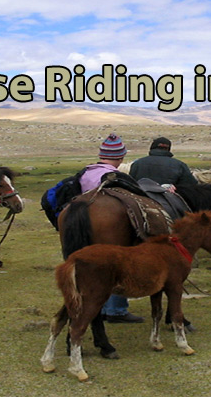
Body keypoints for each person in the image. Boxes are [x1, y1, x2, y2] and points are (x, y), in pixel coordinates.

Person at [80, 133, 145, 323]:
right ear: (121, 157)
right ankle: (116, 310)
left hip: (85, 222)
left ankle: (94, 307)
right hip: (111, 225)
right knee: (117, 261)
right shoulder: (115, 175)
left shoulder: (86, 172)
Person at [129, 136, 197, 191]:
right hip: (169, 200)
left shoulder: (138, 163)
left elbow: (130, 183)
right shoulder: (180, 165)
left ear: (152, 148)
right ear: (168, 149)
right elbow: (191, 185)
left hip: (142, 198)